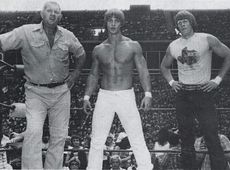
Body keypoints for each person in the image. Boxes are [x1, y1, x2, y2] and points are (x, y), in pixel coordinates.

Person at [0, 1, 86, 169]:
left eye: (56, 12)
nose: (52, 14)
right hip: (35, 91)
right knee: (33, 132)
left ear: (60, 16)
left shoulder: (68, 35)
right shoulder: (25, 32)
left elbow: (81, 54)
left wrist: (75, 74)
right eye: (49, 11)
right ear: (42, 13)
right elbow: (2, 42)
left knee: (60, 136)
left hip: (62, 90)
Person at [160, 10, 230, 170]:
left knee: (211, 135)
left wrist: (217, 80)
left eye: (185, 20)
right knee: (186, 138)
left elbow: (229, 55)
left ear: (192, 22)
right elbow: (164, 66)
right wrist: (172, 82)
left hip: (203, 91)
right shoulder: (173, 45)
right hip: (183, 93)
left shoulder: (206, 38)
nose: (182, 24)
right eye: (179, 22)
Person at [83, 8, 153, 170]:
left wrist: (147, 93)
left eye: (116, 21)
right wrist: (87, 96)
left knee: (136, 137)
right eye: (110, 20)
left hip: (126, 95)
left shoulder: (133, 45)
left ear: (121, 23)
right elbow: (93, 75)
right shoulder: (99, 49)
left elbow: (143, 70)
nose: (113, 24)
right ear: (106, 23)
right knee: (97, 140)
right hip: (104, 96)